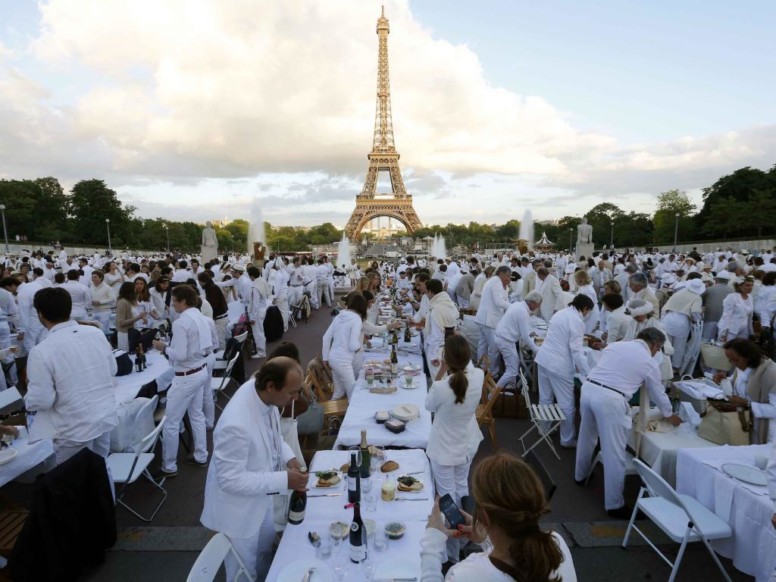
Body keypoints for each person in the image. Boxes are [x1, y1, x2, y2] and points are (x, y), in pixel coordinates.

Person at [200, 357, 306, 582]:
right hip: (239, 512)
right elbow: (230, 480)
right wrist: (284, 480)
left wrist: (289, 457)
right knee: (243, 572)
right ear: (271, 386)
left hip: (260, 498)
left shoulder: (262, 394)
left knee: (265, 555)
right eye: (292, 392)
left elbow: (272, 434)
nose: (296, 398)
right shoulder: (235, 424)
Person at [420, 452, 576, 581]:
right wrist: (487, 537)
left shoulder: (466, 575)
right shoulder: (557, 544)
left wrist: (432, 544)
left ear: (485, 517)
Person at [575, 328, 681, 517]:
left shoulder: (616, 346)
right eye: (658, 349)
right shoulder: (649, 362)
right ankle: (614, 505)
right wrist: (669, 413)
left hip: (589, 388)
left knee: (587, 436)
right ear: (655, 345)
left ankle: (580, 476)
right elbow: (658, 393)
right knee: (615, 452)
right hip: (611, 399)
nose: (657, 352)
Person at [25, 287, 118, 465]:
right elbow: (112, 369)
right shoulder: (96, 333)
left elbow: (41, 401)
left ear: (41, 314)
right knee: (102, 470)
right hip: (103, 416)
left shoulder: (41, 351)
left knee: (72, 484)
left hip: (73, 428)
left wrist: (30, 392)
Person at [425, 335, 484, 562]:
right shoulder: (478, 376)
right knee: (461, 490)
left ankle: (452, 554)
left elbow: (428, 405)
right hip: (466, 444)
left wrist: (441, 370)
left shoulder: (442, 387)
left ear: (446, 360)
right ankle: (463, 540)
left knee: (447, 499)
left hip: (444, 449)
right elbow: (466, 369)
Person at [152, 284, 213, 478]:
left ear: (183, 302)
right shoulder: (202, 318)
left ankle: (169, 466)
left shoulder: (181, 322)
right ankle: (201, 455)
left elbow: (179, 354)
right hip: (200, 370)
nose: (172, 305)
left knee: (171, 422)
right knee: (196, 415)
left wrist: (163, 347)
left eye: (174, 301)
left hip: (186, 376)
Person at [534, 294, 594, 448]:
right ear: (585, 308)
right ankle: (566, 439)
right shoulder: (576, 321)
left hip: (544, 359)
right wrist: (589, 374)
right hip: (559, 366)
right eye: (588, 311)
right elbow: (576, 351)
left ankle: (544, 429)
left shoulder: (560, 313)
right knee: (567, 405)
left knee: (545, 398)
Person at [712, 339, 776, 444]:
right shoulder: (742, 366)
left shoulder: (771, 374)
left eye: (736, 360)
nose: (733, 364)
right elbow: (738, 387)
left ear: (748, 356)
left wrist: (748, 404)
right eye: (730, 360)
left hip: (768, 431)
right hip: (745, 423)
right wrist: (724, 381)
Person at [492, 291, 541, 389]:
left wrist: (529, 331)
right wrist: (537, 350)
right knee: (512, 371)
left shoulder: (518, 305)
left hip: (502, 337)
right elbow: (525, 337)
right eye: (538, 305)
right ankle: (493, 396)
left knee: (513, 366)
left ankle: (510, 391)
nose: (538, 307)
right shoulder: (523, 312)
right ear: (532, 302)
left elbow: (520, 326)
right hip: (505, 340)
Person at [322, 292, 366, 400]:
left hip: (333, 358)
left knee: (339, 391)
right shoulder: (356, 319)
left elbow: (326, 337)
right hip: (343, 361)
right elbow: (353, 345)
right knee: (353, 394)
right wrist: (359, 347)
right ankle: (353, 417)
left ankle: (331, 416)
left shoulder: (339, 316)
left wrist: (325, 358)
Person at [660, 277, 704, 371]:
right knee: (679, 346)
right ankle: (675, 366)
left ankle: (664, 365)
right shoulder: (697, 297)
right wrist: (697, 320)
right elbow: (695, 313)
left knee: (667, 344)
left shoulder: (678, 293)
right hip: (682, 322)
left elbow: (665, 307)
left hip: (668, 318)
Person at [475, 266, 511, 374]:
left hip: (484, 319)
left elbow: (503, 299)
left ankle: (481, 369)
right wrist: (514, 307)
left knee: (483, 345)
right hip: (489, 320)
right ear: (501, 273)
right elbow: (499, 302)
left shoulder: (494, 282)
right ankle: (492, 372)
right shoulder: (496, 282)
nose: (508, 278)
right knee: (493, 348)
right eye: (507, 276)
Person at [424, 279, 459, 379]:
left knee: (439, 381)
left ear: (430, 291)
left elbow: (436, 335)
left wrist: (434, 355)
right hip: (449, 347)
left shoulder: (436, 309)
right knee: (444, 379)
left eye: (427, 292)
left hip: (437, 349)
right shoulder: (449, 304)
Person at [717, 276, 755, 342]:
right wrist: (724, 333)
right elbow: (726, 315)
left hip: (744, 330)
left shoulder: (750, 297)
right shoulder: (731, 297)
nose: (750, 288)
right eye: (747, 285)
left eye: (752, 285)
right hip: (730, 330)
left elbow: (750, 316)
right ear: (739, 286)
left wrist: (751, 332)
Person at [246, 265, 272, 359]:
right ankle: (260, 348)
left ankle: (261, 352)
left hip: (257, 312)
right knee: (260, 331)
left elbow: (255, 304)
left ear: (252, 275)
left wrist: (252, 317)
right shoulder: (262, 281)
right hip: (263, 309)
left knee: (258, 332)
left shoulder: (255, 287)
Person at [115, 281, 148, 352]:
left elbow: (135, 313)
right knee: (126, 354)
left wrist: (142, 317)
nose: (136, 290)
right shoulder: (122, 302)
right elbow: (121, 322)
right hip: (124, 334)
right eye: (134, 289)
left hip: (131, 332)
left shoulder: (130, 301)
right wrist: (139, 317)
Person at [701, 271, 734, 340]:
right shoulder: (732, 291)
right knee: (720, 342)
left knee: (706, 341)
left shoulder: (709, 289)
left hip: (710, 319)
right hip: (725, 322)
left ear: (716, 280)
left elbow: (701, 302)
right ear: (727, 281)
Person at [90, 270, 114, 335]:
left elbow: (112, 299)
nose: (93, 279)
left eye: (95, 277)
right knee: (95, 331)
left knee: (103, 331)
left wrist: (100, 302)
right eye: (92, 277)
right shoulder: (91, 286)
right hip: (94, 311)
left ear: (101, 278)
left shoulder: (107, 287)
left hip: (104, 312)